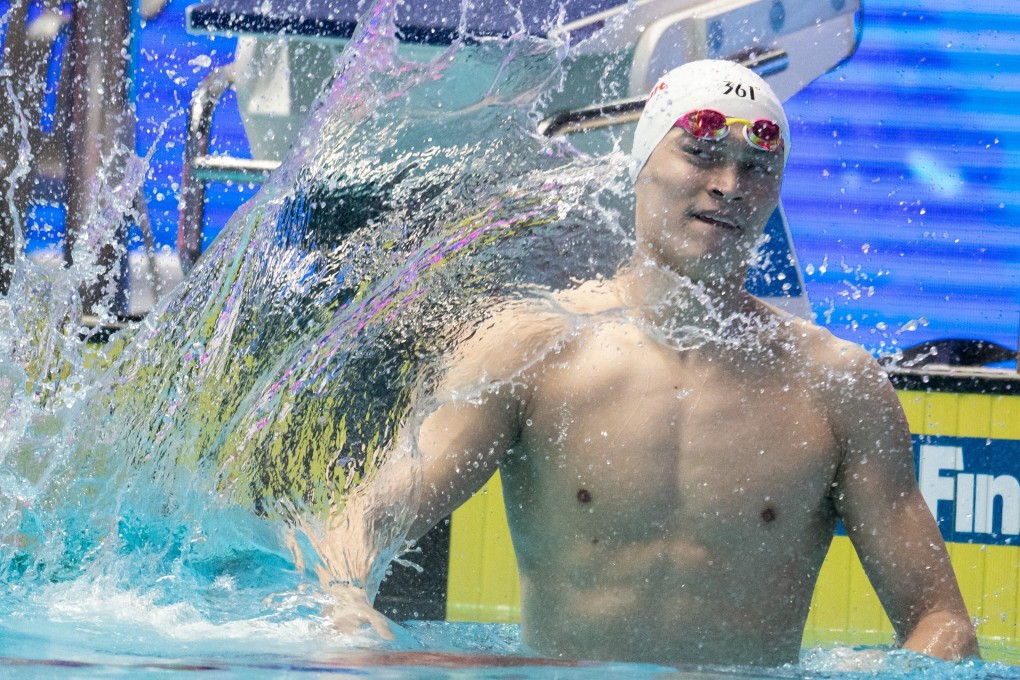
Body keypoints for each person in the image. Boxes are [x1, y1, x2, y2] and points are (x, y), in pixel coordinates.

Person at [322, 59, 979, 667]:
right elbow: (367, 517)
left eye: (757, 168)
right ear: (642, 163)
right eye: (702, 154)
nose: (728, 186)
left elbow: (941, 620)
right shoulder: (534, 347)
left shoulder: (836, 384)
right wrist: (348, 615)